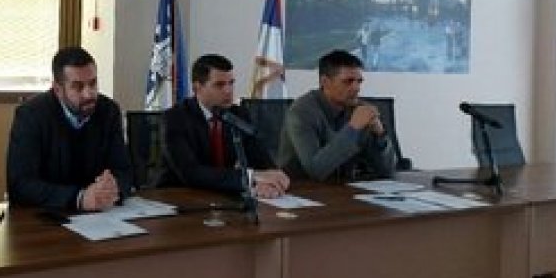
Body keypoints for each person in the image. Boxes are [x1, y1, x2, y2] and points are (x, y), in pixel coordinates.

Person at [6, 46, 132, 211]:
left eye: (93, 83)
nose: (88, 94)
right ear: (58, 90)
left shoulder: (109, 111)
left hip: (102, 215)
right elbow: (20, 185)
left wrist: (112, 187)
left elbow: (124, 171)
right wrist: (79, 198)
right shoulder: (31, 116)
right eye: (78, 86)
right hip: (47, 217)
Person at [164, 54, 289, 198]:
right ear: (197, 88)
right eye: (219, 85)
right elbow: (191, 173)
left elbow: (261, 160)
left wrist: (272, 181)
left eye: (231, 83)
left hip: (224, 196)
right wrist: (251, 177)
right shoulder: (175, 118)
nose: (228, 91)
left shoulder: (239, 114)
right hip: (178, 197)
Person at [277, 49, 397, 181]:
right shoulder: (301, 112)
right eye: (348, 81)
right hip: (303, 189)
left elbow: (388, 170)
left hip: (345, 187)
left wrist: (380, 135)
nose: (356, 88)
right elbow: (316, 170)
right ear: (325, 82)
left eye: (359, 81)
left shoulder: (360, 108)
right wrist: (353, 128)